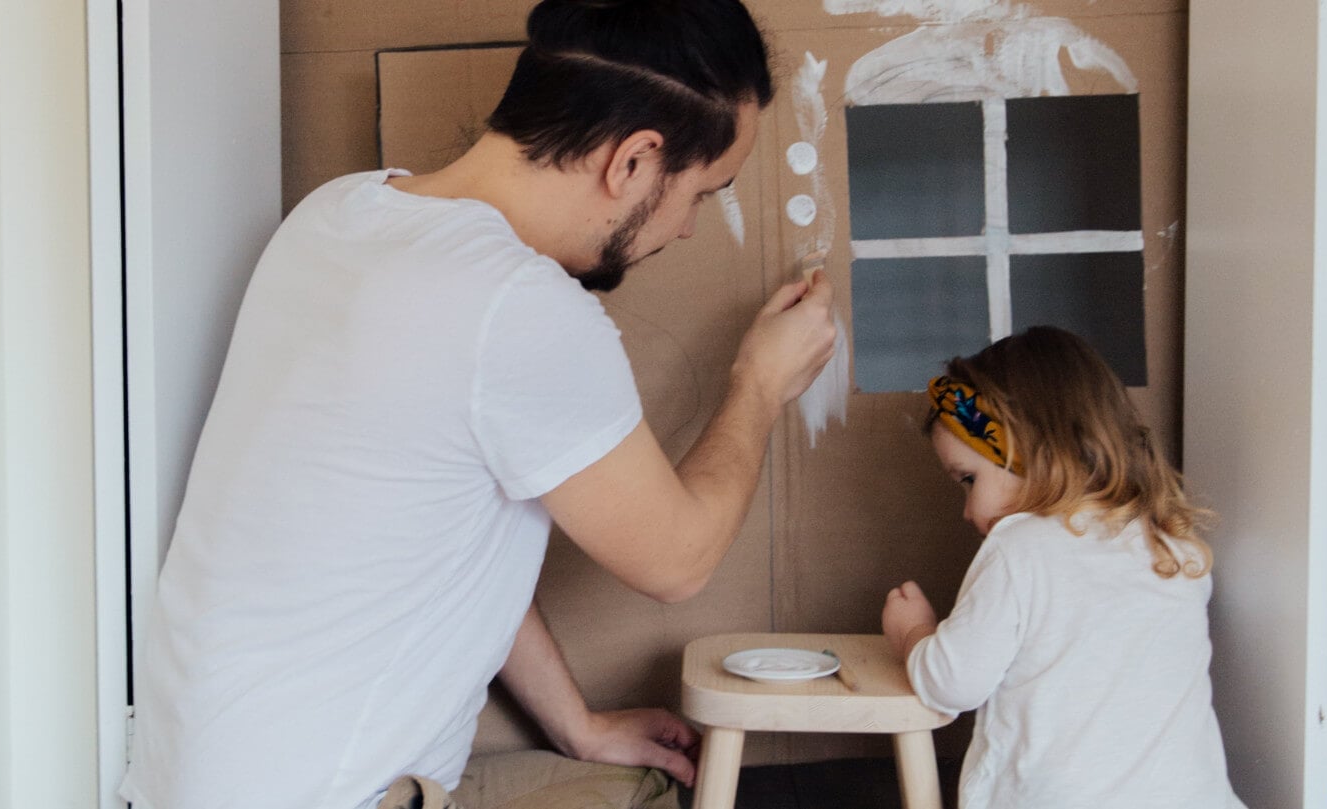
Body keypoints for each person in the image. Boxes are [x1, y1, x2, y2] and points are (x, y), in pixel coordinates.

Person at [119, 1, 838, 808]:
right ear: (634, 160)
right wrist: (760, 383)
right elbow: (678, 560)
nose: (688, 230)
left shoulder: (342, 213)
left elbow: (442, 544)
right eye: (704, 191)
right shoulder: (517, 307)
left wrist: (577, 725)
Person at [881, 326, 1246, 809]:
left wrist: (914, 634)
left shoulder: (1020, 549)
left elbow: (953, 682)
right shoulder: (1175, 545)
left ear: (1036, 451)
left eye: (970, 480)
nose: (968, 511)